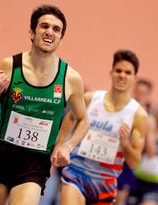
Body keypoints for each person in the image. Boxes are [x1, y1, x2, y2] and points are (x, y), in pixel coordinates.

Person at [0, 4, 89, 205]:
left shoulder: (70, 78)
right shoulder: (9, 66)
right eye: (44, 26)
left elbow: (83, 120)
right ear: (31, 32)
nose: (49, 32)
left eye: (56, 29)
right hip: (0, 153)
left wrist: (66, 146)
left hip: (35, 162)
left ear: (61, 39)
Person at [58, 49, 149, 205]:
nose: (122, 75)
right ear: (111, 73)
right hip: (76, 173)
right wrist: (61, 146)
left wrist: (125, 143)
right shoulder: (90, 99)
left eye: (128, 72)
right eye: (118, 70)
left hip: (105, 184)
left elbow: (134, 162)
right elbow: (70, 118)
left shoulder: (138, 115)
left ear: (135, 78)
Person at [114, 78, 154, 205]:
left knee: (118, 199)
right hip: (111, 157)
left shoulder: (149, 119)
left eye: (143, 93)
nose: (139, 95)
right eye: (138, 92)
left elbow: (151, 149)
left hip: (128, 163)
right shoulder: (123, 109)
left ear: (148, 96)